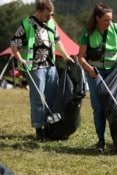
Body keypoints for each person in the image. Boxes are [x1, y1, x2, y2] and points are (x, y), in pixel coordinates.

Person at [10, 0, 74, 141]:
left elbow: (57, 42)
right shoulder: (26, 24)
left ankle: (50, 127)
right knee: (38, 99)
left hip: (51, 65)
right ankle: (39, 129)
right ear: (39, 11)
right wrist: (20, 59)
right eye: (47, 14)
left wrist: (66, 56)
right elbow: (14, 45)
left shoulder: (51, 23)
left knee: (52, 98)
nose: (50, 17)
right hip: (35, 67)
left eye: (52, 14)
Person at [78, 3, 117, 153]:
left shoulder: (116, 28)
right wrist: (90, 69)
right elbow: (80, 57)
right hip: (95, 74)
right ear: (98, 18)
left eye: (111, 19)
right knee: (99, 108)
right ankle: (101, 140)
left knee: (115, 106)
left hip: (113, 72)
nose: (110, 22)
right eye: (106, 20)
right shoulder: (87, 32)